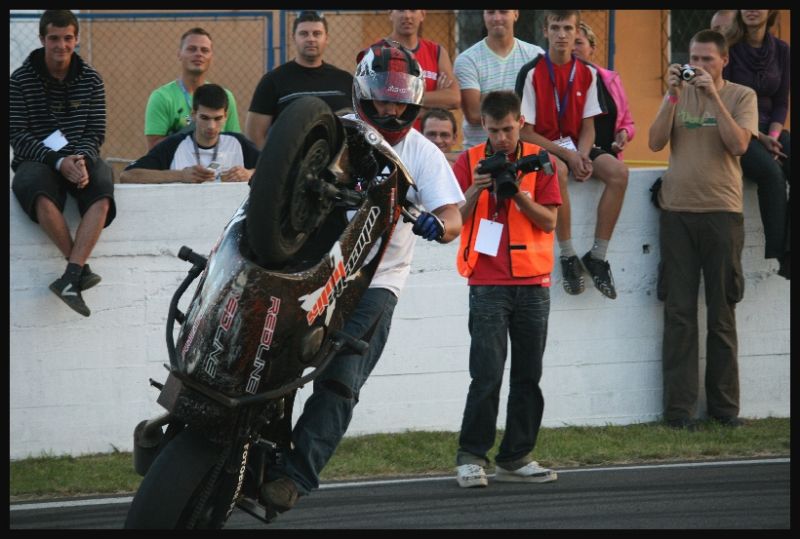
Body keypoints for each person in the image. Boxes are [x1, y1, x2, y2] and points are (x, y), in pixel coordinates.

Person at [258, 42, 465, 518]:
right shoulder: (332, 131)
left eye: (399, 99)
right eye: (382, 97)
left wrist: (440, 226)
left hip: (375, 283)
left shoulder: (422, 152)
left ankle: (294, 477)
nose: (391, 107)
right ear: (361, 92)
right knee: (264, 344)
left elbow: (452, 215)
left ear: (412, 99)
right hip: (307, 267)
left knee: (341, 379)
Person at [648, 30, 757, 430]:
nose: (700, 65)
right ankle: (678, 412)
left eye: (707, 59)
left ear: (723, 60)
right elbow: (656, 141)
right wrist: (672, 94)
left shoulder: (741, 96)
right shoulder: (677, 94)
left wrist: (712, 95)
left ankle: (725, 410)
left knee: (722, 313)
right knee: (678, 315)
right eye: (694, 57)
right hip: (676, 213)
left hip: (722, 213)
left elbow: (740, 145)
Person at [452, 90, 560, 488]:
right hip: (487, 282)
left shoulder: (538, 159)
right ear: (483, 125)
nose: (501, 138)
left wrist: (518, 195)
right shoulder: (468, 161)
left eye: (508, 129)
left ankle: (516, 456)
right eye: (494, 130)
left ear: (520, 121)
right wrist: (475, 189)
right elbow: (453, 221)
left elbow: (548, 222)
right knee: (486, 375)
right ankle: (471, 456)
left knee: (528, 375)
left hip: (533, 283)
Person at [10, 10, 116, 318]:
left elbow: (95, 132)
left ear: (77, 39)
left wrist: (80, 161)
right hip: (38, 160)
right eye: (54, 38)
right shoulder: (19, 81)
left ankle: (69, 276)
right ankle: (77, 272)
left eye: (68, 38)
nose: (61, 45)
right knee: (34, 188)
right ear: (42, 39)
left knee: (103, 184)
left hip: (81, 156)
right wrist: (58, 161)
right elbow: (17, 134)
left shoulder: (92, 80)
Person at [517, 10, 629, 300]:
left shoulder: (588, 73)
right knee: (560, 171)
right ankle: (567, 255)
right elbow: (525, 132)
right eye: (556, 27)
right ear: (545, 31)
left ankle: (598, 255)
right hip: (542, 145)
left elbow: (589, 126)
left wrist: (582, 155)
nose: (562, 34)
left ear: (577, 30)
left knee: (619, 173)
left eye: (568, 28)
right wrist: (570, 157)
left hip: (576, 145)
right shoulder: (531, 72)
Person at [723, 10, 790, 279]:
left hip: (769, 129)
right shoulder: (727, 48)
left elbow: (782, 102)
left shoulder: (783, 50)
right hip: (736, 128)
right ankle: (782, 256)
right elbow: (723, 99)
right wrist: (758, 137)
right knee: (771, 174)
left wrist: (772, 136)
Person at [245, 11, 353, 150]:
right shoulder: (273, 80)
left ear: (327, 38)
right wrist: (275, 167)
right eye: (304, 33)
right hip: (292, 169)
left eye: (317, 33)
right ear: (293, 38)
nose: (311, 39)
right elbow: (254, 135)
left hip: (339, 168)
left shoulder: (344, 80)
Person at [120, 84, 259, 184]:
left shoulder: (238, 143)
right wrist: (180, 175)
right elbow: (127, 175)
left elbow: (276, 170)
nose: (211, 126)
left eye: (217, 119)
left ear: (226, 116)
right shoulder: (174, 144)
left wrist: (250, 174)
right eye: (205, 118)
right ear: (193, 115)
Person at [454, 10, 544, 150]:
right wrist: (520, 98)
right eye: (490, 12)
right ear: (483, 16)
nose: (496, 18)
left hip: (527, 150)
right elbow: (473, 113)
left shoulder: (536, 55)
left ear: (515, 14)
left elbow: (543, 108)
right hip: (480, 150)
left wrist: (487, 97)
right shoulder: (467, 60)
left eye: (503, 12)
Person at [361, 10, 460, 132]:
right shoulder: (375, 53)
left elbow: (454, 99)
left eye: (413, 10)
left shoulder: (436, 51)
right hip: (391, 135)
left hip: (429, 138)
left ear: (423, 14)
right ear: (390, 14)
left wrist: (403, 97)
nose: (407, 16)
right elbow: (370, 101)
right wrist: (433, 105)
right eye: (401, 10)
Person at [144, 27, 241, 150]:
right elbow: (153, 147)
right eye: (192, 49)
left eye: (205, 50)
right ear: (179, 54)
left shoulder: (225, 97)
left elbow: (235, 142)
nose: (198, 54)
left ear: (211, 57)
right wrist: (190, 133)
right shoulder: (162, 97)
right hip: (176, 168)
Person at [572, 21, 636, 160]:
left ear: (592, 48)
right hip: (575, 157)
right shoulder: (561, 79)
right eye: (570, 42)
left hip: (609, 156)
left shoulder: (611, 79)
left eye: (578, 42)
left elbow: (627, 121)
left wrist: (623, 133)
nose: (572, 48)